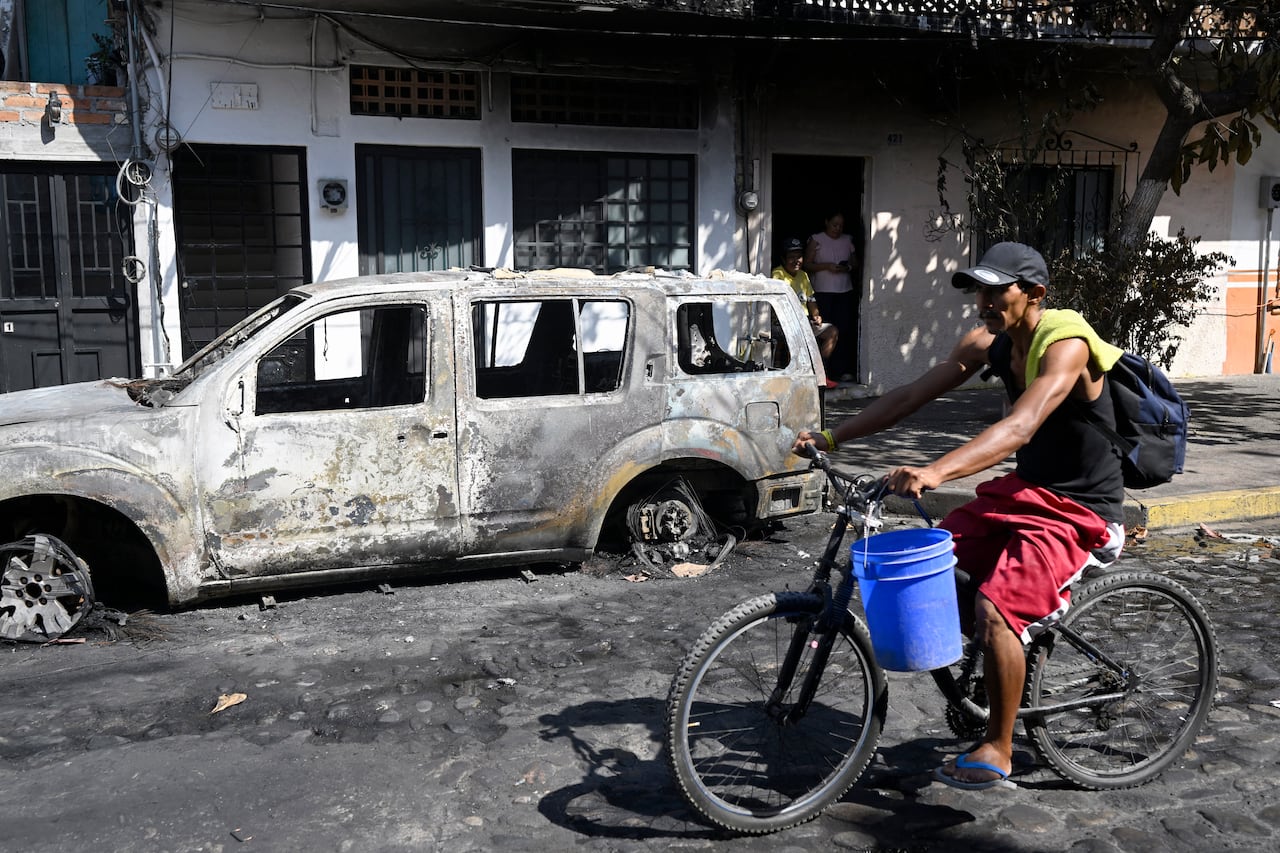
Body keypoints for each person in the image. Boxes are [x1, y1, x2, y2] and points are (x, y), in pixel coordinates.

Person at [793, 241, 1126, 790]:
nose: (984, 302)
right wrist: (833, 435)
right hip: (1026, 492)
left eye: (998, 290)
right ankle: (1007, 660)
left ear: (1034, 293)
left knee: (998, 611)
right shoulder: (989, 342)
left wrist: (935, 471)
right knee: (937, 563)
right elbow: (911, 396)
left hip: (1078, 509)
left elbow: (1021, 427)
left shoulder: (1065, 343)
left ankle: (999, 743)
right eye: (980, 289)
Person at [772, 237, 839, 385]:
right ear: (783, 259)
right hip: (783, 323)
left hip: (804, 322)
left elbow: (811, 300)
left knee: (832, 332)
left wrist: (816, 316)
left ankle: (820, 372)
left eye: (799, 257)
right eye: (791, 257)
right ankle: (796, 381)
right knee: (795, 337)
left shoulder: (803, 275)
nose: (796, 261)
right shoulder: (778, 274)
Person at [804, 211, 857, 382]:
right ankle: (823, 371)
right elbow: (806, 264)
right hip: (823, 291)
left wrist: (846, 268)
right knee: (826, 330)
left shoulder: (847, 240)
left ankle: (840, 370)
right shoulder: (817, 239)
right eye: (834, 224)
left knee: (844, 330)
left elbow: (855, 263)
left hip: (844, 291)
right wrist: (827, 266)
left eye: (841, 225)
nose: (837, 228)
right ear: (826, 222)